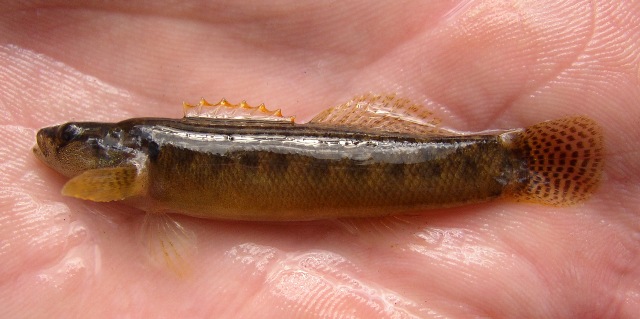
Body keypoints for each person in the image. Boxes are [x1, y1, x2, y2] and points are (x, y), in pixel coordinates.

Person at [1, 1, 638, 317]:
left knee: (465, 163)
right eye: (66, 137)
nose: (55, 144)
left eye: (71, 138)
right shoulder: (142, 163)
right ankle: (505, 167)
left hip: (386, 154)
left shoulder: (143, 157)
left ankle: (509, 165)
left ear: (115, 153)